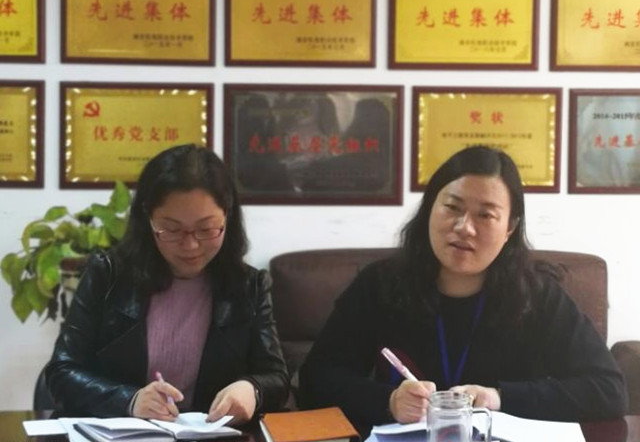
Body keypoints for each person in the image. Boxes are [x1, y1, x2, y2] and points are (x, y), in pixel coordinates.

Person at [298, 145, 627, 433]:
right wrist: (389, 400)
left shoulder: (537, 295)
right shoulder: (380, 285)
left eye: (485, 215)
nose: (464, 227)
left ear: (510, 228)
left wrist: (500, 398)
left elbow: (608, 390)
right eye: (452, 207)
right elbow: (315, 380)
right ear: (430, 208)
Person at [45, 144, 289, 424]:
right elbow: (61, 372)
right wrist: (129, 400)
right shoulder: (107, 275)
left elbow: (277, 378)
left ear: (227, 217)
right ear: (148, 219)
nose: (190, 245)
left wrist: (253, 389)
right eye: (171, 229)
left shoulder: (249, 286)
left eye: (206, 229)